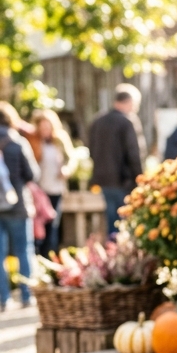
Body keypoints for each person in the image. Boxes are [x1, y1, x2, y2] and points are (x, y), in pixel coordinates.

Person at [89, 89, 143, 235]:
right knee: (124, 220)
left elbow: (92, 150)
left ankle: (112, 250)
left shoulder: (98, 121)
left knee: (111, 219)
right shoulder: (127, 122)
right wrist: (139, 177)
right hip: (123, 180)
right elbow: (133, 153)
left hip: (103, 179)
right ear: (129, 102)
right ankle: (121, 252)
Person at [0, 107, 37, 310]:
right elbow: (32, 174)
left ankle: (3, 299)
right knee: (23, 250)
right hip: (17, 205)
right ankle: (26, 295)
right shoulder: (16, 142)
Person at [28, 110, 76, 257]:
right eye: (42, 128)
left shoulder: (59, 140)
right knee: (37, 225)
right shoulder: (34, 140)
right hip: (39, 190)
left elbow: (71, 159)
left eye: (47, 128)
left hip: (56, 188)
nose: (45, 131)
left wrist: (66, 170)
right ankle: (38, 256)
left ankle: (49, 256)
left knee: (52, 224)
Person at [114, 83, 148, 160]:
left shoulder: (98, 121)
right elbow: (135, 151)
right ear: (129, 102)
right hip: (124, 171)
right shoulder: (130, 121)